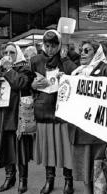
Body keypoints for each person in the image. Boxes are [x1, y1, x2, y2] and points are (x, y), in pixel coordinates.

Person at [30, 30, 77, 194]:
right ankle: (49, 180)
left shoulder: (67, 59)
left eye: (53, 46)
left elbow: (76, 75)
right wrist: (32, 86)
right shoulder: (35, 60)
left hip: (62, 111)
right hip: (43, 110)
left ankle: (68, 181)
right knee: (48, 148)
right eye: (47, 45)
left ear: (59, 45)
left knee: (66, 149)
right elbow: (28, 81)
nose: (50, 49)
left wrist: (64, 59)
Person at [0, 43, 35, 193]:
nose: (8, 54)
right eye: (5, 51)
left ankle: (22, 180)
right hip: (2, 114)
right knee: (6, 147)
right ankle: (9, 177)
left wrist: (8, 69)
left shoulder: (25, 68)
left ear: (17, 54)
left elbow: (20, 84)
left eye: (12, 52)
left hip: (18, 115)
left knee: (21, 150)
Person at [69, 40, 107, 194]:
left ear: (96, 52)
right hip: (80, 128)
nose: (82, 53)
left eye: (87, 50)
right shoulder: (76, 72)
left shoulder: (106, 69)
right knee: (84, 167)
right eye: (81, 50)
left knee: (98, 169)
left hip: (96, 131)